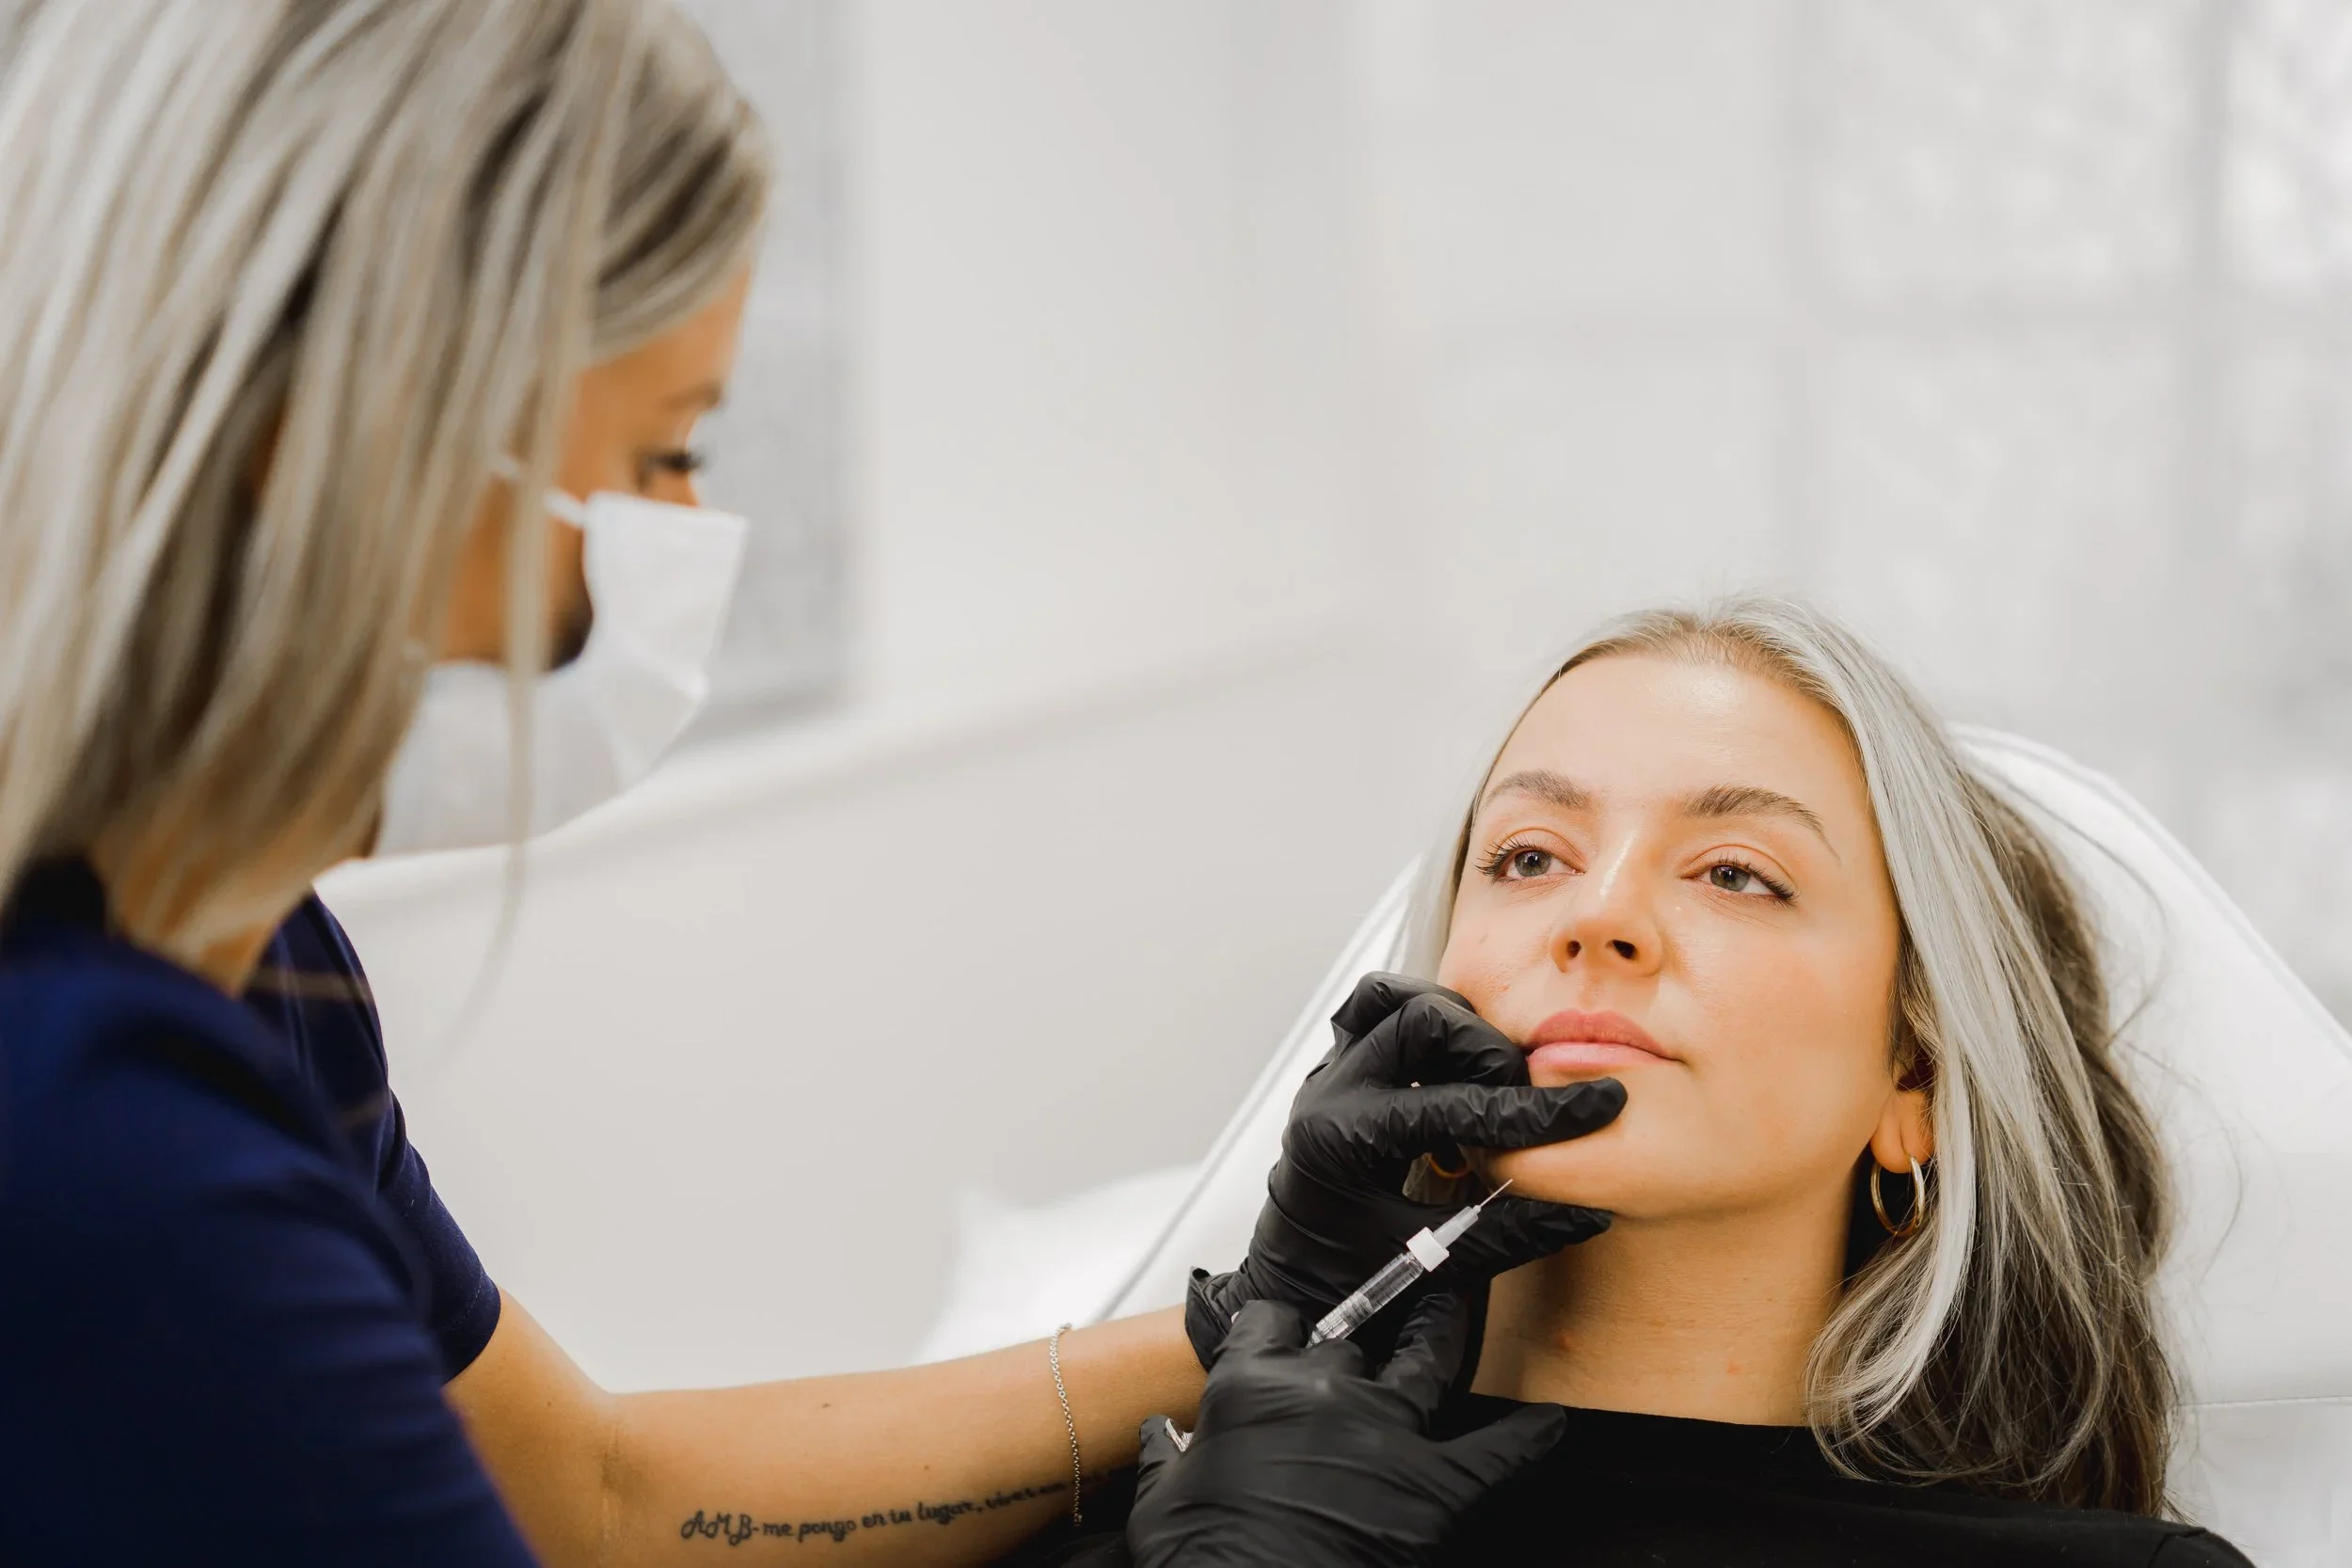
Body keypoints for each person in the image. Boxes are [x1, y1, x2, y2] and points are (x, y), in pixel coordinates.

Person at [0, 3, 1626, 1564]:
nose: (1605, 925)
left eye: (1735, 869)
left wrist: (1266, 1319)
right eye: (660, 453)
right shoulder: (102, 1142)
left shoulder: (257, 963)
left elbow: (593, 1502)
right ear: (334, 444)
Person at [1052, 598, 2257, 1567]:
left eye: (1735, 872)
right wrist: (1250, 1329)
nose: (1599, 911)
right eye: (1529, 854)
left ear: (1916, 1077)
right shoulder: (1174, 1504)